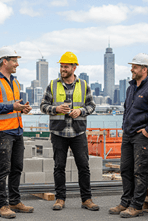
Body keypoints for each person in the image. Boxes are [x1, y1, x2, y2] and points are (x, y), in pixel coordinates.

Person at [109, 53, 148, 218]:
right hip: (128, 135)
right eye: (132, 66)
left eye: (134, 67)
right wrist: (124, 127)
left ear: (144, 69)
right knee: (125, 169)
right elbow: (127, 110)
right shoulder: (130, 88)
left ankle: (136, 206)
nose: (131, 69)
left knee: (139, 170)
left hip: (142, 136)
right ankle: (125, 202)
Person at [40, 51, 99, 211]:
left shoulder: (84, 85)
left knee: (84, 167)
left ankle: (86, 199)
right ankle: (60, 199)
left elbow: (92, 106)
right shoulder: (52, 85)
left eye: (65, 66)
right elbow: (43, 106)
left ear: (74, 68)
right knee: (59, 166)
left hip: (78, 132)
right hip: (58, 133)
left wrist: (80, 111)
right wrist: (56, 108)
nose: (62, 69)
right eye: (61, 66)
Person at [0, 46, 33, 219]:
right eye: (14, 60)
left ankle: (14, 201)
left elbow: (13, 105)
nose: (17, 64)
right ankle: (2, 205)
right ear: (4, 61)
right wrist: (13, 106)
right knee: (3, 169)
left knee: (16, 168)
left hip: (16, 130)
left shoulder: (14, 81)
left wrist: (22, 109)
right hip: (2, 132)